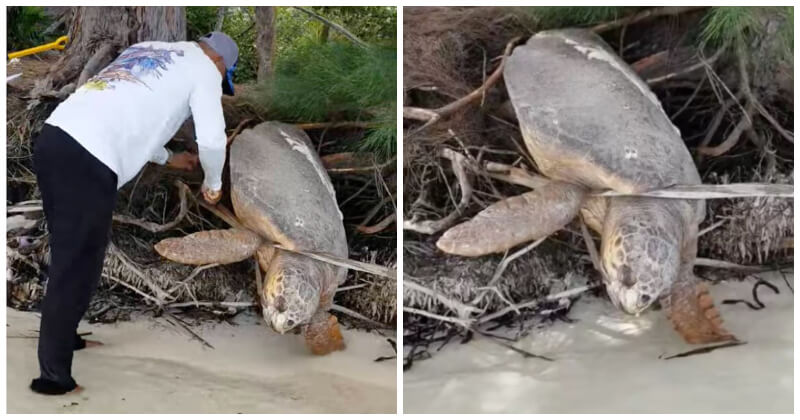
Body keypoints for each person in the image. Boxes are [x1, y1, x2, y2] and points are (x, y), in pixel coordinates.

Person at [29, 31, 239, 395]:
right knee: (75, 263)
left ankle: (66, 338)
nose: (219, 82)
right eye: (224, 78)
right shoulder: (205, 70)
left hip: (56, 138)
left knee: (78, 255)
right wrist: (213, 182)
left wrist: (169, 158)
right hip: (88, 158)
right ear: (220, 63)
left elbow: (131, 115)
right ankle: (53, 378)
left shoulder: (149, 48)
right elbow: (212, 140)